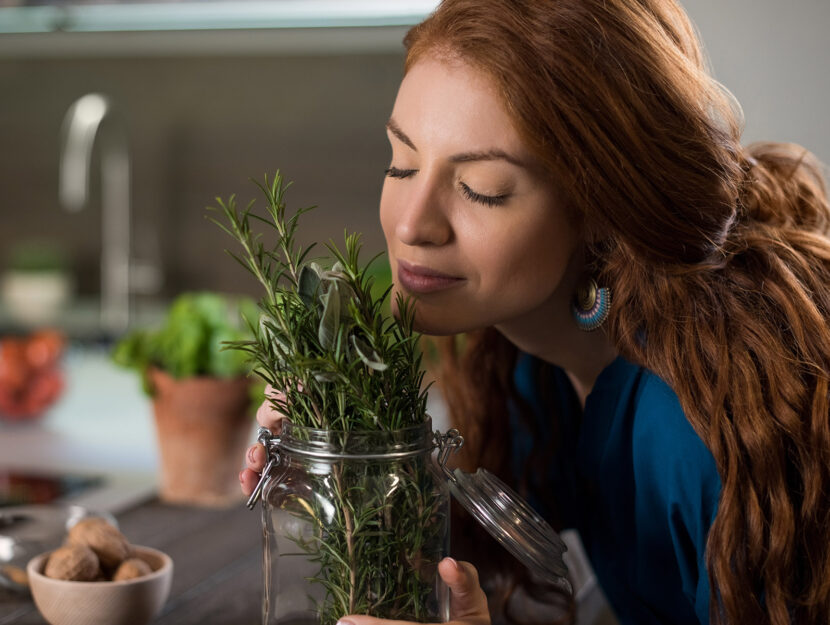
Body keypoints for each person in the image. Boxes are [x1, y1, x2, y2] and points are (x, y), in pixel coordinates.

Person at [241, 0, 830, 623]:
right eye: (402, 163)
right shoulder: (528, 361)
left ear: (603, 206)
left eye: (482, 190)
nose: (413, 223)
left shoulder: (694, 426)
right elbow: (482, 571)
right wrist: (347, 458)